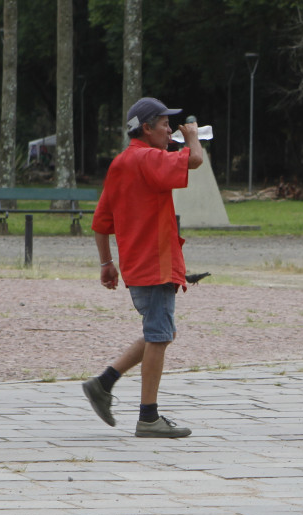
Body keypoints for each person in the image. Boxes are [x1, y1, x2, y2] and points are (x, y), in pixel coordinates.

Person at [82, 97, 203, 438]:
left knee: (161, 333)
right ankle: (148, 418)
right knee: (160, 335)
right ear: (146, 128)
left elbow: (100, 222)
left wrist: (107, 263)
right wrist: (193, 136)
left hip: (138, 264)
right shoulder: (149, 157)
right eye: (165, 124)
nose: (170, 130)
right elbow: (193, 159)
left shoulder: (121, 163)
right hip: (156, 264)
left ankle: (103, 383)